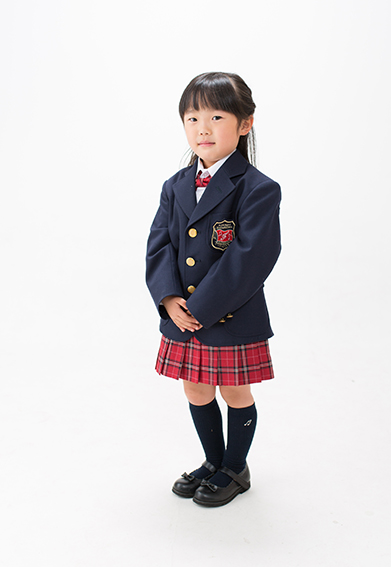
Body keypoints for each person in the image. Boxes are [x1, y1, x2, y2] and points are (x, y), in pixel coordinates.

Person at [146, 72, 281, 507]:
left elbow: (251, 257)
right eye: (192, 118)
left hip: (230, 314)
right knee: (196, 389)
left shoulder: (258, 188)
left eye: (216, 117)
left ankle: (235, 468)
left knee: (235, 392)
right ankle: (212, 461)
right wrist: (169, 298)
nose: (202, 128)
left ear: (245, 123)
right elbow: (160, 244)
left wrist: (200, 307)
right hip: (182, 314)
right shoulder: (175, 185)